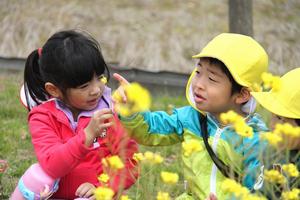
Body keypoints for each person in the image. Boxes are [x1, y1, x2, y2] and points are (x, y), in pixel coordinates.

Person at [116, 33, 269, 199]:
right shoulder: (191, 118)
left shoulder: (256, 140)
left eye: (211, 78)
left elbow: (259, 191)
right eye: (198, 72)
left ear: (242, 95)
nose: (199, 84)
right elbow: (150, 130)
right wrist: (131, 108)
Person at [10, 30, 138, 199]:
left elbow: (130, 161)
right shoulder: (43, 116)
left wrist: (103, 187)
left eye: (99, 78)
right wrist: (87, 136)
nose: (96, 89)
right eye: (84, 86)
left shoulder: (110, 113)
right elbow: (52, 166)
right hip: (52, 195)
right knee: (36, 175)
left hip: (95, 195)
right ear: (54, 90)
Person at [251, 67, 300, 190]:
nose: (272, 125)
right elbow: (261, 194)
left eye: (280, 119)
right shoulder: (275, 155)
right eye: (273, 116)